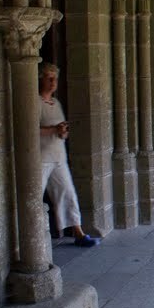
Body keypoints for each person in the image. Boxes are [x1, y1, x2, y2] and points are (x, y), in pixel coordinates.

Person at [39, 63, 100, 247]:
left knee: (68, 193)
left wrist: (62, 132)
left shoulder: (56, 103)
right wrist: (53, 129)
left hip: (58, 155)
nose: (53, 82)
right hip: (41, 158)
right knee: (34, 196)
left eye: (55, 79)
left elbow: (59, 129)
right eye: (49, 78)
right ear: (40, 79)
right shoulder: (35, 102)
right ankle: (30, 238)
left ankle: (78, 232)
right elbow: (30, 129)